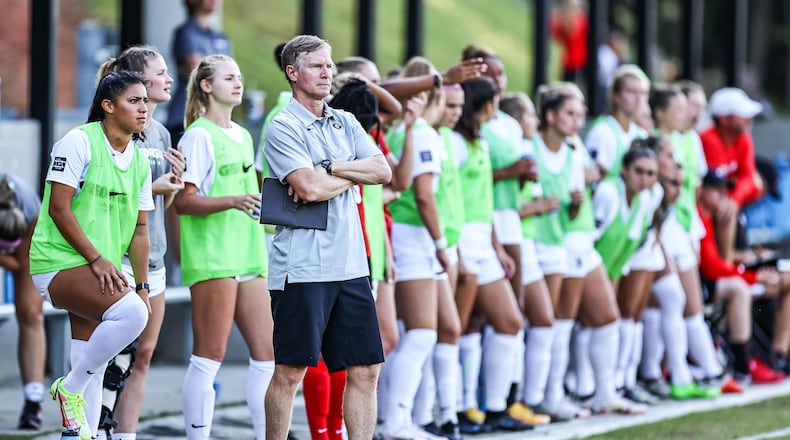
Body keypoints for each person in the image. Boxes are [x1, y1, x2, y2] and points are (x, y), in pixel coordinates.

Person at [262, 35, 392, 440]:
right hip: (302, 268)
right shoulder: (282, 126)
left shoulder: (346, 121)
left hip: (351, 265)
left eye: (329, 64)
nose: (328, 72)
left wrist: (331, 167)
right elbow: (308, 188)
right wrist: (351, 171)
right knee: (290, 372)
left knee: (367, 369)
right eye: (317, 65)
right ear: (293, 73)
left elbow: (384, 171)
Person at [29, 71, 153, 440]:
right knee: (131, 314)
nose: (144, 108)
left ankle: (83, 430)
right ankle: (68, 389)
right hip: (58, 262)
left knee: (93, 362)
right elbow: (59, 210)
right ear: (108, 106)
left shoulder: (141, 161)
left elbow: (141, 231)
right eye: (134, 101)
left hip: (100, 270)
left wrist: (143, 284)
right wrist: (98, 260)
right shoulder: (77, 142)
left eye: (145, 100)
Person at [174, 54, 273, 440]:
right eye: (229, 77)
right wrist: (232, 201)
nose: (238, 82)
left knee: (267, 355)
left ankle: (270, 434)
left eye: (240, 76)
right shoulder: (198, 135)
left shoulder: (244, 135)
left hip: (249, 253)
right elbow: (183, 202)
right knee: (208, 357)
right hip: (215, 257)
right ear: (206, 85)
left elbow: (253, 195)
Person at [93, 46, 186, 440]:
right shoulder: (105, 131)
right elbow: (103, 195)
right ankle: (94, 428)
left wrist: (176, 185)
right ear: (138, 81)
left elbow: (163, 206)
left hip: (155, 259)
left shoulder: (162, 133)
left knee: (143, 356)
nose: (168, 80)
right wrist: (154, 186)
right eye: (160, 73)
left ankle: (126, 434)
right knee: (111, 356)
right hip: (115, 258)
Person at [450, 76, 532, 432]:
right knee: (457, 326)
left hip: (484, 238)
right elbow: (448, 198)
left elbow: (485, 199)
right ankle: (458, 408)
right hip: (463, 238)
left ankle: (494, 407)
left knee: (508, 322)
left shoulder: (478, 140)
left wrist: (497, 246)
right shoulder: (453, 142)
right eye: (494, 102)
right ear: (485, 106)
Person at [697, 170, 788, 385]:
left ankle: (777, 356)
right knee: (739, 289)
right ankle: (742, 362)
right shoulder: (702, 216)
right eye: (717, 191)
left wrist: (753, 271)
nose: (724, 196)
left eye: (725, 191)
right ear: (701, 190)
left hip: (729, 276)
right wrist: (754, 277)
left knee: (782, 281)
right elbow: (713, 266)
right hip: (705, 282)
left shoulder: (722, 215)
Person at [0, 174, 44, 430]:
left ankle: (33, 402)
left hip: (29, 228)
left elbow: (19, 263)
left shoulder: (29, 211)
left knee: (30, 313)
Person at [700, 87, 764, 263]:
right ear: (723, 119)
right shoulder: (708, 140)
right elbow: (714, 187)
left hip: (728, 207)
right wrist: (733, 195)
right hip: (707, 209)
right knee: (725, 209)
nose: (748, 119)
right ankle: (726, 266)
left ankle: (731, 263)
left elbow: (751, 180)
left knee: (729, 207)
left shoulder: (744, 139)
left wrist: (734, 199)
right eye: (741, 115)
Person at [166, 0, 232, 146]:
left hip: (215, 117)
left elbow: (230, 72)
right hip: (185, 114)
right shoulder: (185, 32)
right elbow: (198, 68)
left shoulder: (221, 36)